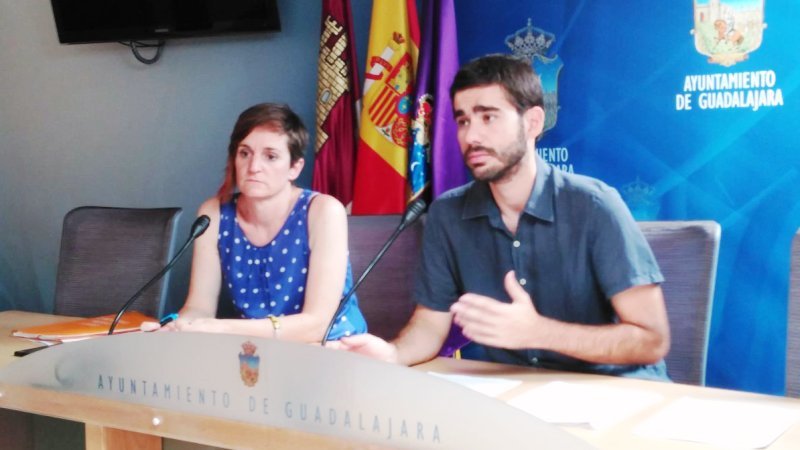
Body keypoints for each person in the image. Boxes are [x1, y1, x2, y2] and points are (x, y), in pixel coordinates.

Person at [337, 54, 671, 380]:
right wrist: (392, 355)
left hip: (613, 391)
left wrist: (540, 332)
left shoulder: (595, 206)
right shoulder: (447, 214)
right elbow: (430, 324)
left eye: (488, 117)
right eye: (463, 121)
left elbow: (652, 340)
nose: (471, 136)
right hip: (515, 393)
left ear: (533, 122)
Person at [151, 103, 366, 342]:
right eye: (245, 153)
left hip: (333, 348)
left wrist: (220, 328)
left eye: (270, 156)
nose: (253, 167)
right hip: (256, 350)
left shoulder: (324, 211)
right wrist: (176, 328)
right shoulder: (214, 213)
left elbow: (317, 325)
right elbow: (199, 308)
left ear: (294, 168)